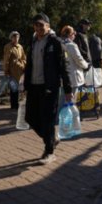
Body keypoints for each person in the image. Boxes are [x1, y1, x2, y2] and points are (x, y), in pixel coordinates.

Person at [24, 13, 72, 165]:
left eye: (41, 25)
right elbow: (29, 65)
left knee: (48, 119)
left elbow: (63, 67)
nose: (38, 28)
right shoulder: (32, 42)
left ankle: (49, 152)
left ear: (48, 26)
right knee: (30, 117)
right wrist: (25, 85)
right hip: (33, 85)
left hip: (49, 87)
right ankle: (52, 138)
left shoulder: (55, 42)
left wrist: (68, 89)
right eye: (36, 25)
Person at [60, 25, 89, 92]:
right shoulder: (71, 45)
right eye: (73, 33)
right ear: (70, 34)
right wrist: (86, 65)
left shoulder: (60, 43)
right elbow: (79, 59)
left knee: (63, 99)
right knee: (72, 100)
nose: (74, 35)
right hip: (74, 77)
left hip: (63, 78)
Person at [3, 31, 26, 109]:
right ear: (11, 38)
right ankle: (14, 105)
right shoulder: (8, 46)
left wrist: (24, 65)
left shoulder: (20, 47)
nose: (16, 39)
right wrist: (6, 70)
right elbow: (6, 60)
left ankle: (18, 103)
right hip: (12, 71)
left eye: (17, 37)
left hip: (20, 69)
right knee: (13, 88)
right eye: (14, 37)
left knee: (20, 87)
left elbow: (24, 57)